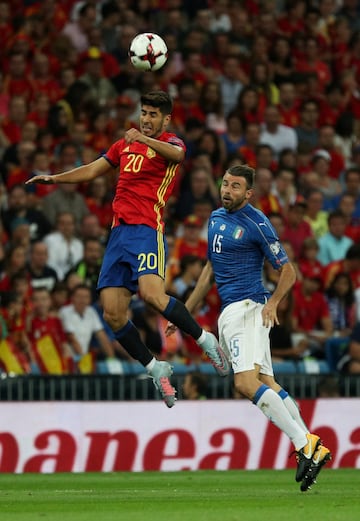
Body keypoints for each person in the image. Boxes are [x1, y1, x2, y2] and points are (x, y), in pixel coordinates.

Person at [25, 90, 228, 408]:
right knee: (112, 313)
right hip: (118, 234)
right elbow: (93, 169)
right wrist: (56, 178)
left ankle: (205, 340)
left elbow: (177, 157)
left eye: (152, 115)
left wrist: (143, 139)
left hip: (148, 231)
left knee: (152, 295)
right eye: (144, 113)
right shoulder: (123, 145)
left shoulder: (172, 144)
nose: (146, 119)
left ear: (165, 119)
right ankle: (154, 367)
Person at [167, 164, 331, 491]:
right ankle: (313, 443)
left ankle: (302, 443)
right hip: (231, 313)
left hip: (248, 309)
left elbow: (288, 271)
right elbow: (208, 271)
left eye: (235, 186)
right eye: (225, 184)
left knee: (244, 384)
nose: (227, 190)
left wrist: (273, 304)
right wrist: (184, 313)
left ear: (249, 193)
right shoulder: (214, 219)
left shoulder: (258, 223)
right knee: (265, 380)